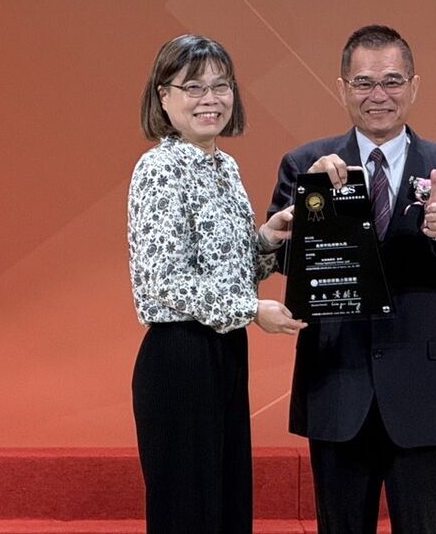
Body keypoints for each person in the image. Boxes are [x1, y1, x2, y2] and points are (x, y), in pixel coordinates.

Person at [267, 24, 436, 534]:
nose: (379, 95)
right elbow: (282, 261)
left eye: (392, 81)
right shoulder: (306, 165)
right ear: (342, 88)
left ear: (414, 86)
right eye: (364, 83)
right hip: (336, 384)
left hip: (423, 391)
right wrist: (314, 209)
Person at [128, 34, 305, 534]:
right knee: (189, 513)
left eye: (220, 86)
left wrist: (266, 238)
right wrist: (250, 310)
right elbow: (165, 280)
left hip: (225, 351)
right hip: (180, 356)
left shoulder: (224, 166)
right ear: (164, 96)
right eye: (193, 87)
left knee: (226, 505)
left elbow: (224, 268)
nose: (210, 99)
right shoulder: (159, 168)